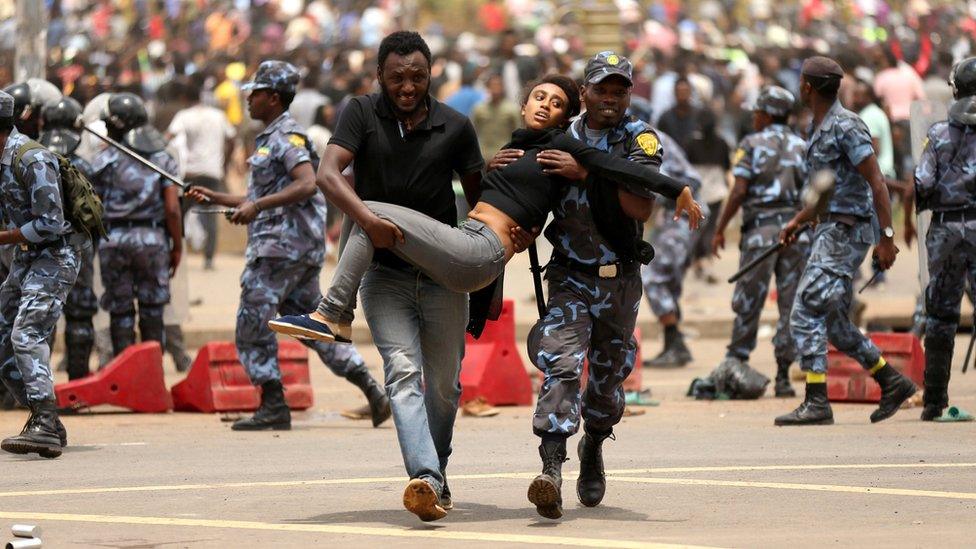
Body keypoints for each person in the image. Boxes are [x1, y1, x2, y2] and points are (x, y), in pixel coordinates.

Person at [271, 72, 701, 518]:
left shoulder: (565, 145)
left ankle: (334, 311)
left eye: (556, 103)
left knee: (367, 210)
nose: (543, 107)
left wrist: (676, 190)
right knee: (367, 219)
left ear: (570, 114)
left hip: (489, 251)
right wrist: (491, 170)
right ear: (522, 103)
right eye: (538, 97)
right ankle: (536, 471)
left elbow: (624, 172)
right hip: (475, 244)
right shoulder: (516, 149)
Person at [268, 32, 486, 522]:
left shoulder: (456, 126)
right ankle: (426, 477)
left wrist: (486, 285)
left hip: (443, 277)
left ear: (432, 74)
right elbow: (328, 174)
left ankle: (439, 467)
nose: (407, 87)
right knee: (403, 374)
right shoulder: (361, 113)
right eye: (396, 78)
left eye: (417, 77)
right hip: (383, 278)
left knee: (445, 388)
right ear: (380, 78)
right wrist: (367, 223)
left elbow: (481, 207)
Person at [497, 52, 698, 520]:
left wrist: (587, 173)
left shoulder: (639, 137)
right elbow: (536, 192)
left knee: (606, 385)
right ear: (583, 93)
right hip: (569, 275)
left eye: (619, 90)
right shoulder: (561, 135)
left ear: (629, 94)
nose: (610, 97)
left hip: (619, 281)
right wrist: (524, 223)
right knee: (562, 366)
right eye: (601, 89)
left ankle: (593, 443)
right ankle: (551, 469)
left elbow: (639, 208)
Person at [185, 60, 391, 433]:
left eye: (256, 93)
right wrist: (217, 197)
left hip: (280, 249)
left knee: (252, 323)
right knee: (310, 326)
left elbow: (307, 183)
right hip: (293, 249)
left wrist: (257, 207)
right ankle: (372, 390)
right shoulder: (270, 138)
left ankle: (273, 403)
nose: (249, 100)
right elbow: (258, 196)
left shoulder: (287, 137)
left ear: (274, 98)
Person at [776, 56, 916, 426]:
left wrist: (886, 238)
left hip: (845, 232)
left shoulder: (845, 125)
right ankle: (892, 380)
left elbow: (877, 183)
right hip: (828, 226)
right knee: (835, 321)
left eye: (801, 81)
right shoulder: (818, 126)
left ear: (807, 86)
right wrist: (798, 220)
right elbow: (827, 189)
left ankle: (816, 399)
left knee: (805, 308)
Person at [0, 90, 89, 458]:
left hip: (56, 255)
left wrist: (3, 237)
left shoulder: (33, 158)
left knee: (26, 333)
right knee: (3, 337)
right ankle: (46, 418)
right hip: (26, 256)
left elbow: (52, 223)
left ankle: (45, 420)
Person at [711, 86, 809, 397]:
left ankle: (737, 362)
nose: (754, 117)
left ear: (766, 115)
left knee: (749, 300)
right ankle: (783, 375)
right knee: (791, 304)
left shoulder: (751, 143)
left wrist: (720, 227)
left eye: (757, 113)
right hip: (796, 231)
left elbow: (739, 191)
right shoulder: (803, 145)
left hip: (761, 232)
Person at [89, 93, 182, 358]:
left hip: (113, 240)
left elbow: (92, 206)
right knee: (153, 308)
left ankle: (126, 376)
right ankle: (152, 378)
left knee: (120, 310)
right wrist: (177, 246)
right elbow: (173, 210)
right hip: (152, 240)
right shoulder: (162, 159)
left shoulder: (101, 161)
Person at [913, 56, 976, 421]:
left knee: (940, 316)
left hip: (946, 231)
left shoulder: (937, 134)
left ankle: (934, 401)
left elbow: (922, 183)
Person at [39, 97, 99, 381]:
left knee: (39, 317)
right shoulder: (86, 164)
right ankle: (78, 382)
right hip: (78, 245)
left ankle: (38, 388)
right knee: (80, 314)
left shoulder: (29, 158)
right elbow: (96, 213)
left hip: (38, 247)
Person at [641, 131, 704, 368]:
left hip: (682, 212)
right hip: (677, 214)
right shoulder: (654, 136)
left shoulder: (645, 139)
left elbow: (659, 180)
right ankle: (674, 345)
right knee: (669, 278)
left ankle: (675, 342)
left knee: (654, 278)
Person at [166, 83, 236, 270]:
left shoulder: (184, 116)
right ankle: (209, 258)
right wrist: (224, 163)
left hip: (191, 172)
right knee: (210, 216)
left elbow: (169, 137)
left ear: (184, 98)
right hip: (213, 171)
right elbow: (231, 139)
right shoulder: (218, 115)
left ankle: (177, 251)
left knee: (180, 213)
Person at [472, 73, 522, 163]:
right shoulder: (479, 108)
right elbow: (473, 132)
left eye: (498, 85)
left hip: (504, 155)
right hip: (483, 155)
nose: (495, 89)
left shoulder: (512, 109)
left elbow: (518, 133)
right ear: (487, 87)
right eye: (492, 86)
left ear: (503, 87)